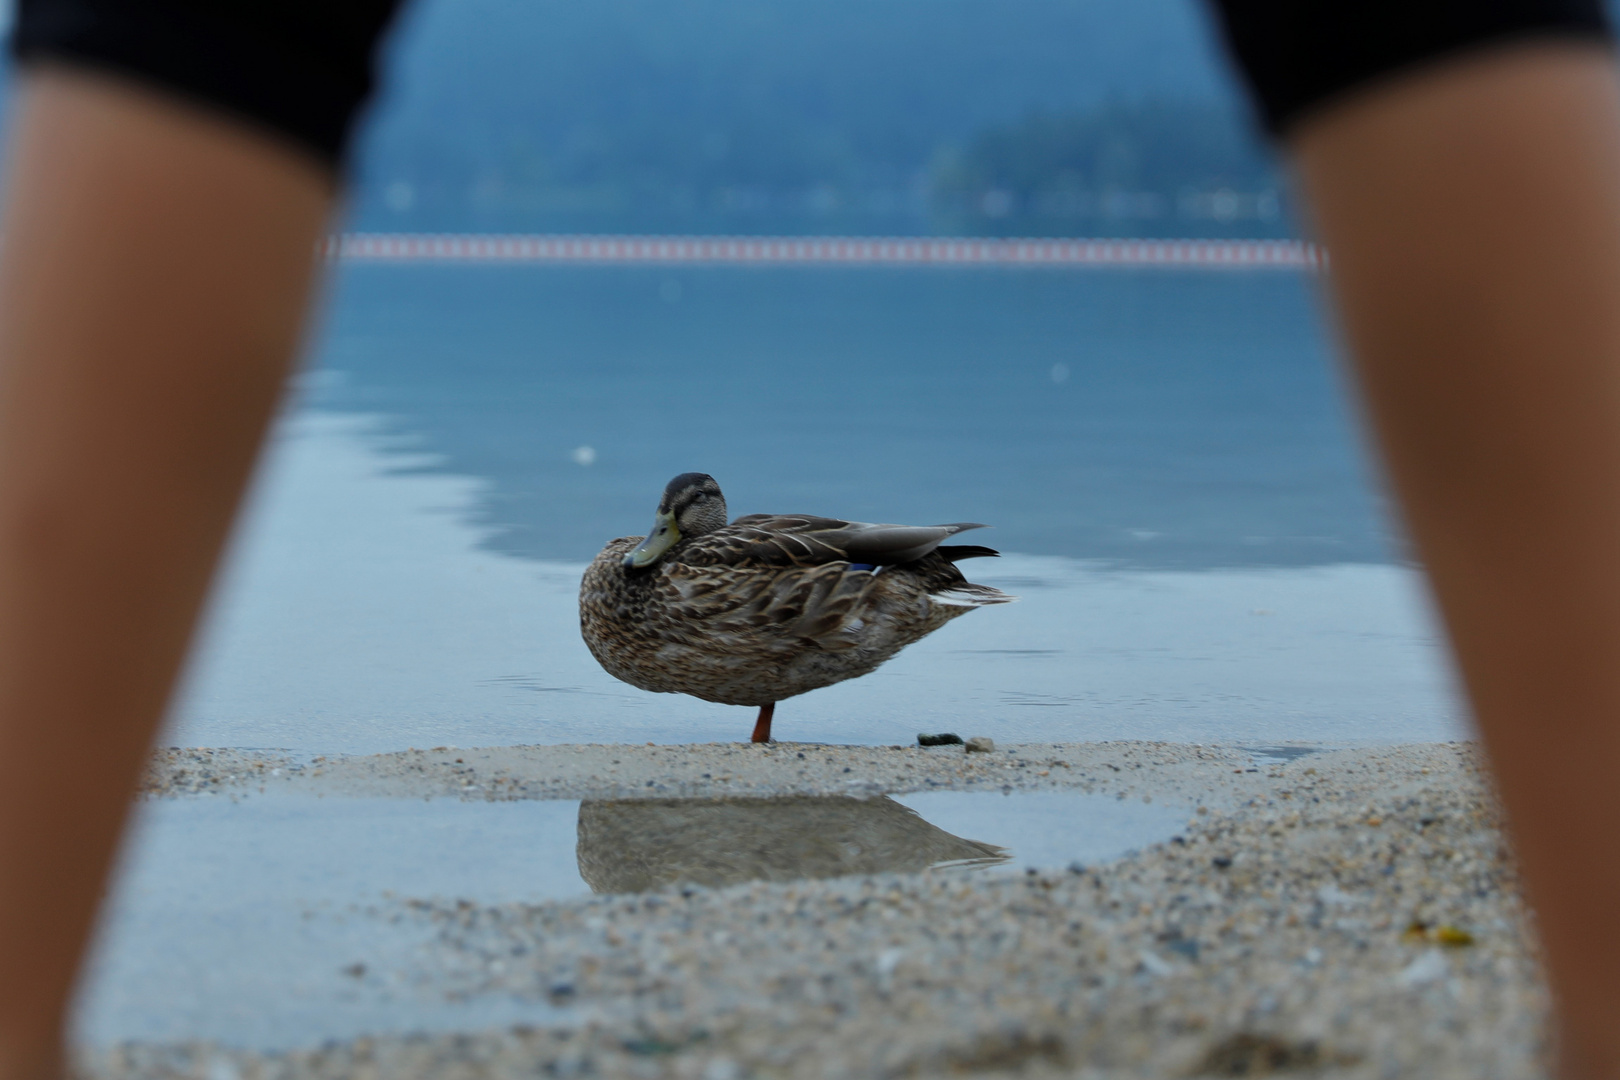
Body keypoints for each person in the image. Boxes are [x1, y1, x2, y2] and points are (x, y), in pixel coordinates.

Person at [0, 1, 1617, 1076]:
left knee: (193, 36)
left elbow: (796, 568)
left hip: (837, 602)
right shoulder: (647, 565)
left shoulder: (723, 566)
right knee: (1436, 27)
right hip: (785, 620)